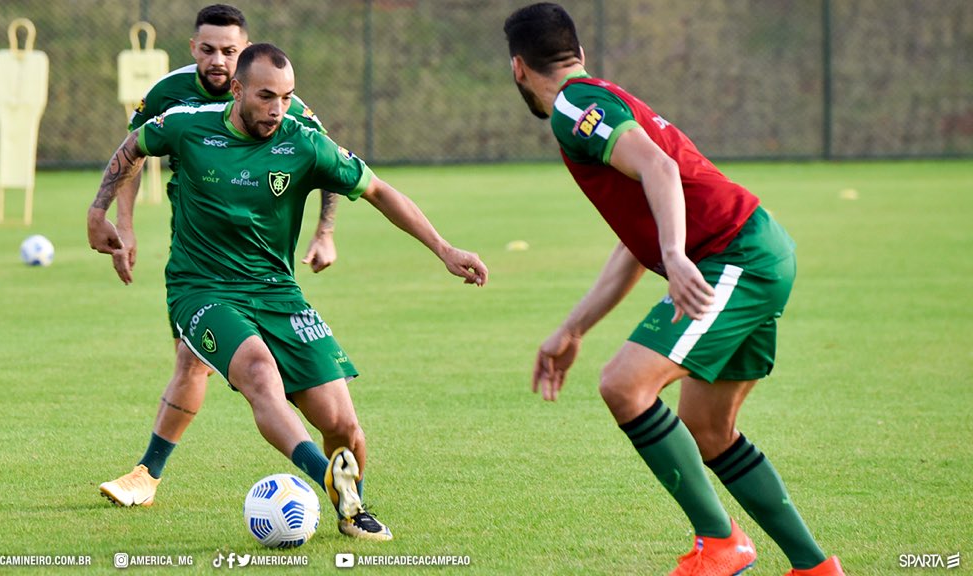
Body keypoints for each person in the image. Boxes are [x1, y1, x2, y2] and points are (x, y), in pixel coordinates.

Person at [88, 42, 487, 541]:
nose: (277, 108)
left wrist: (444, 250)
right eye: (265, 96)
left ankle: (351, 508)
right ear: (237, 90)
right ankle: (323, 473)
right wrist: (99, 212)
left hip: (279, 293)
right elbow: (131, 148)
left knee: (344, 427)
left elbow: (380, 191)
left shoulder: (303, 142)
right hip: (202, 290)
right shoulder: (188, 125)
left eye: (286, 96)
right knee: (258, 371)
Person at [504, 4, 843, 576]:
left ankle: (721, 542)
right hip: (754, 248)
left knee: (623, 385)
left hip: (736, 254)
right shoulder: (600, 97)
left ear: (518, 68)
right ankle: (814, 568)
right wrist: (572, 328)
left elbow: (660, 169)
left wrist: (677, 254)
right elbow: (636, 247)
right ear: (579, 53)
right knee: (708, 430)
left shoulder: (572, 106)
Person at [94, 4, 342, 511]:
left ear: (244, 51)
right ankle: (150, 472)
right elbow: (133, 152)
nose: (218, 60)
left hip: (260, 266)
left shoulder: (273, 96)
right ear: (193, 48)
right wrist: (125, 222)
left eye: (230, 51)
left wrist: (325, 232)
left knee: (197, 360)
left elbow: (331, 162)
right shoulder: (168, 95)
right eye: (208, 50)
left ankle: (149, 472)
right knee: (194, 358)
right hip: (200, 258)